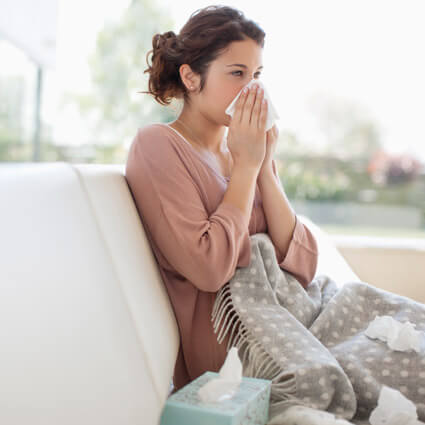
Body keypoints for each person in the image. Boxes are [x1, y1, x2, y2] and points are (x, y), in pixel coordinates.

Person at [125, 5, 318, 394]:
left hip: (296, 317)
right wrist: (247, 169)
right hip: (234, 352)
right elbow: (209, 269)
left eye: (257, 75)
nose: (253, 90)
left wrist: (261, 166)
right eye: (237, 74)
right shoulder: (158, 145)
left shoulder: (244, 151)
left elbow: (303, 264)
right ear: (191, 76)